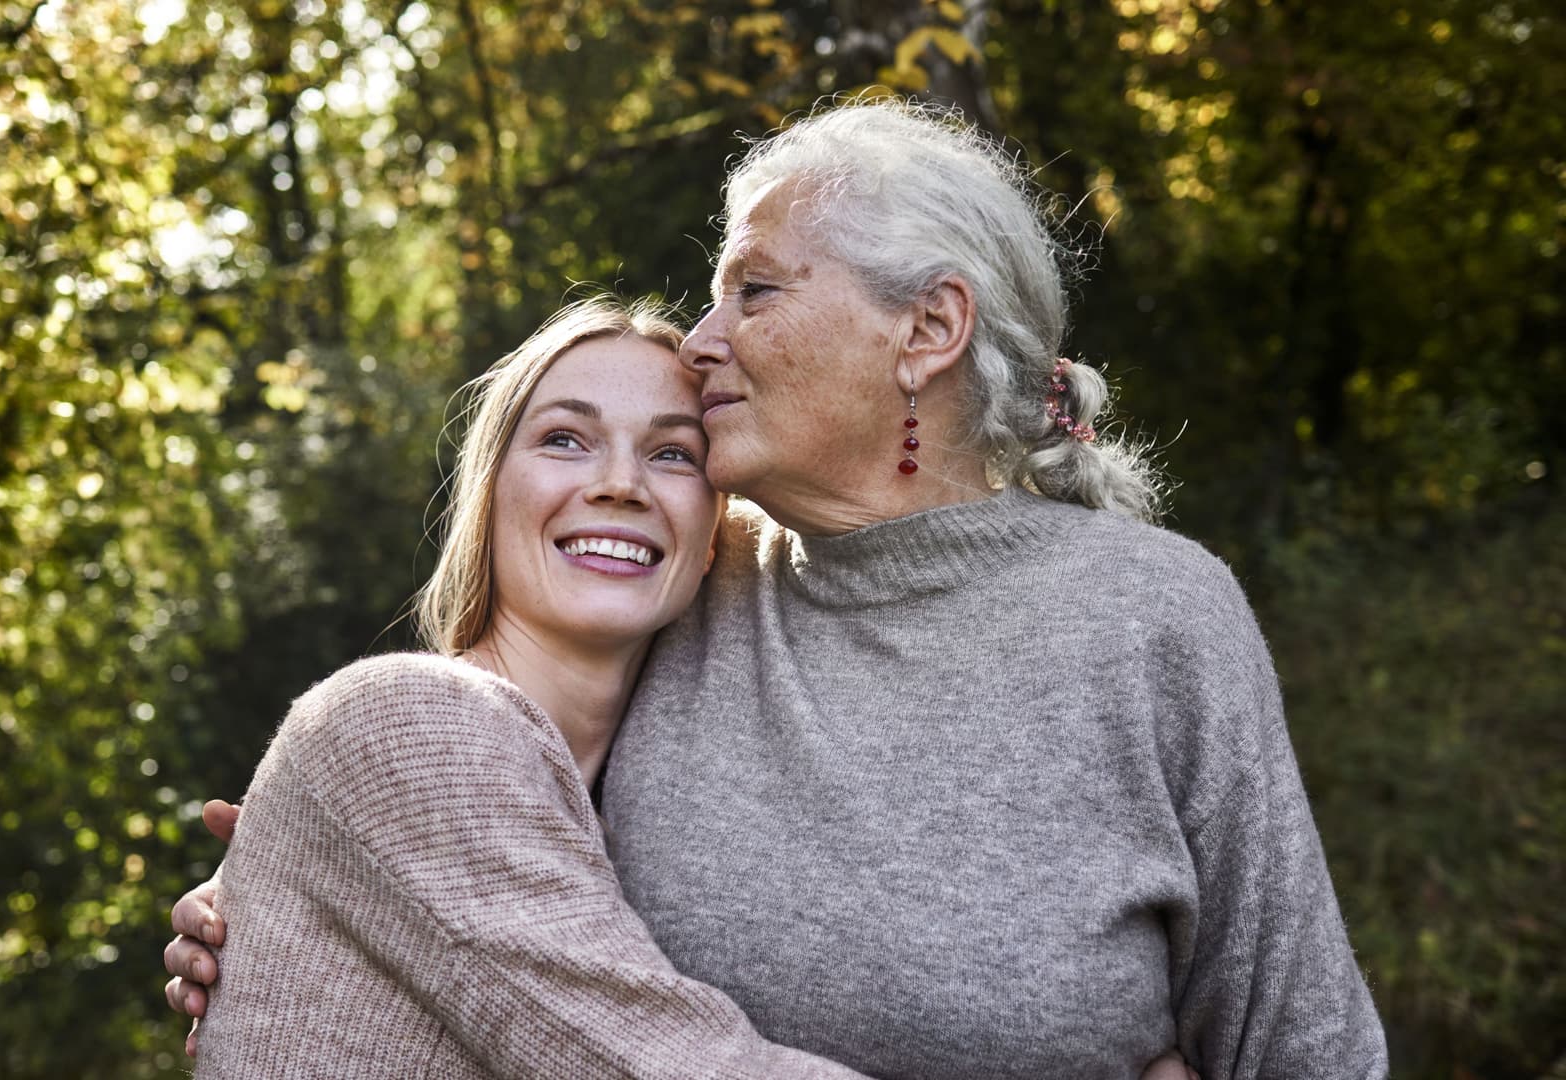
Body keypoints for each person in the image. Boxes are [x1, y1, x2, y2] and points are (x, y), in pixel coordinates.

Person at [169, 99, 1385, 1078]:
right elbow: (462, 781)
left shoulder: (1151, 619)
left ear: (929, 329)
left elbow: (1302, 1043)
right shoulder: (700, 580)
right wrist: (291, 873)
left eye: (753, 290)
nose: (702, 341)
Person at [190, 297, 873, 1076]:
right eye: (564, 440)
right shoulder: (406, 721)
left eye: (674, 454)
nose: (621, 484)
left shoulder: (642, 817)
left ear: (715, 537)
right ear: (489, 495)